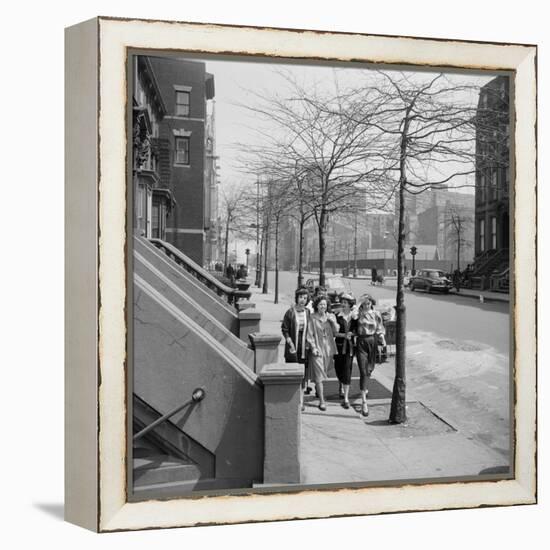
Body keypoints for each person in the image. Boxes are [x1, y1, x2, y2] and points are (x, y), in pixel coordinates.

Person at [306, 295, 338, 411]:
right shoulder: (312, 318)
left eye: (324, 304)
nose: (323, 306)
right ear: (316, 306)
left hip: (328, 349)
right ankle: (322, 401)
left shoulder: (331, 316)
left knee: (323, 373)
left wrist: (333, 322)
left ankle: (318, 390)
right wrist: (313, 347)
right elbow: (309, 335)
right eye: (320, 304)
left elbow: (336, 331)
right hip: (318, 349)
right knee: (319, 376)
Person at [281, 288, 311, 410]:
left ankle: (301, 400)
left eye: (305, 298)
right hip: (293, 344)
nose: (302, 300)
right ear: (296, 298)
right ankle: (292, 399)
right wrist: (289, 342)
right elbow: (285, 329)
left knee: (303, 373)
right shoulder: (290, 312)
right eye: (300, 297)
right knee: (293, 371)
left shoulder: (308, 312)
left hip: (304, 346)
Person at [355, 294, 384, 416]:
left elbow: (380, 328)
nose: (367, 306)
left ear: (371, 303)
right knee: (362, 370)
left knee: (369, 369)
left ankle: (365, 385)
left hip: (372, 341)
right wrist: (358, 304)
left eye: (368, 303)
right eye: (364, 304)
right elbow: (353, 318)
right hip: (361, 341)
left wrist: (382, 338)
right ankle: (364, 402)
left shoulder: (376, 314)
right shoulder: (358, 314)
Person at [333, 293, 358, 409]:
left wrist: (353, 333)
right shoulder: (337, 317)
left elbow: (358, 330)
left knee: (347, 370)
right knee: (338, 369)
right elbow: (333, 333)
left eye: (345, 303)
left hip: (349, 348)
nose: (343, 305)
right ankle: (340, 385)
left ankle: (346, 398)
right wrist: (344, 335)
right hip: (338, 347)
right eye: (342, 302)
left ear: (350, 305)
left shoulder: (354, 318)